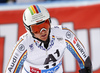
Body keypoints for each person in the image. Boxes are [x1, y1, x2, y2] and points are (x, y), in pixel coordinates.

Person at [5, 5, 92, 73]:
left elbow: (85, 61)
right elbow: (10, 71)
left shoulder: (64, 34)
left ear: (50, 22)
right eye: (36, 29)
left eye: (45, 25)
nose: (43, 31)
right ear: (28, 29)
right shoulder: (23, 45)